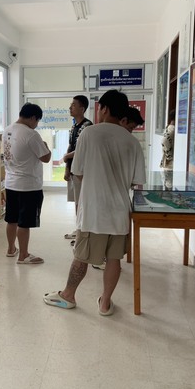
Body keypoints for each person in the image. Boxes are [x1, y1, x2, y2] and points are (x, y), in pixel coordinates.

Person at [43, 89, 146, 315]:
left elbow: (78, 172)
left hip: (94, 211)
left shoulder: (89, 133)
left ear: (104, 109)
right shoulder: (132, 142)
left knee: (81, 257)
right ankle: (105, 303)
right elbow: (136, 181)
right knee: (114, 259)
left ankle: (68, 296)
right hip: (120, 213)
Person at [91, 105, 145, 271]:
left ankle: (102, 260)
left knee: (108, 254)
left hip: (106, 207)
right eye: (130, 127)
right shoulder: (128, 143)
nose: (130, 131)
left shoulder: (98, 136)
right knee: (105, 254)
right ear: (123, 120)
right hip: (107, 206)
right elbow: (136, 180)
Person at [3, 103, 51, 264]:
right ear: (32, 118)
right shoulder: (31, 134)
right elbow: (46, 157)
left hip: (10, 183)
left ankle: (11, 249)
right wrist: (46, 146)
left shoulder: (7, 130)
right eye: (37, 121)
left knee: (11, 219)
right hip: (28, 186)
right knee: (24, 222)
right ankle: (23, 255)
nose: (36, 124)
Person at [62, 95, 92, 245]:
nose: (70, 107)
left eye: (73, 105)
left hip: (83, 171)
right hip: (74, 169)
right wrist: (67, 168)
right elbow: (71, 146)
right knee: (77, 201)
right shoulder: (74, 126)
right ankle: (79, 228)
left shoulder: (87, 126)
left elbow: (82, 148)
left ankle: (83, 231)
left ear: (82, 108)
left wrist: (67, 156)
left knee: (82, 201)